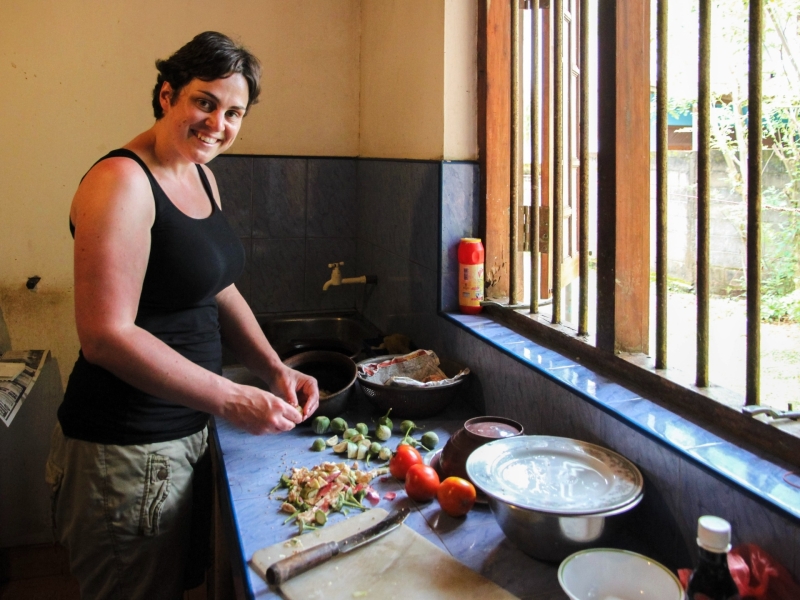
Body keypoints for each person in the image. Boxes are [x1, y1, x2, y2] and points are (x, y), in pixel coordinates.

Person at [45, 31, 319, 599]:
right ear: (168, 95)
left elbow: (219, 288)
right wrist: (228, 396)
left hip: (186, 433)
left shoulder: (200, 175)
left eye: (234, 112)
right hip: (126, 446)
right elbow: (105, 335)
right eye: (205, 101)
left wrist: (274, 368)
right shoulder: (120, 182)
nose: (218, 123)